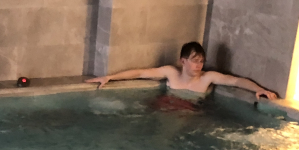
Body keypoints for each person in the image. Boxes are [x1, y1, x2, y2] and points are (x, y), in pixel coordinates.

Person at [85, 42, 278, 102]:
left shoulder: (207, 78)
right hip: (165, 107)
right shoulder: (171, 73)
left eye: (201, 61)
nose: (198, 65)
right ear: (183, 61)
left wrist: (258, 89)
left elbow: (236, 81)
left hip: (190, 113)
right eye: (194, 61)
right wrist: (110, 77)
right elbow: (140, 73)